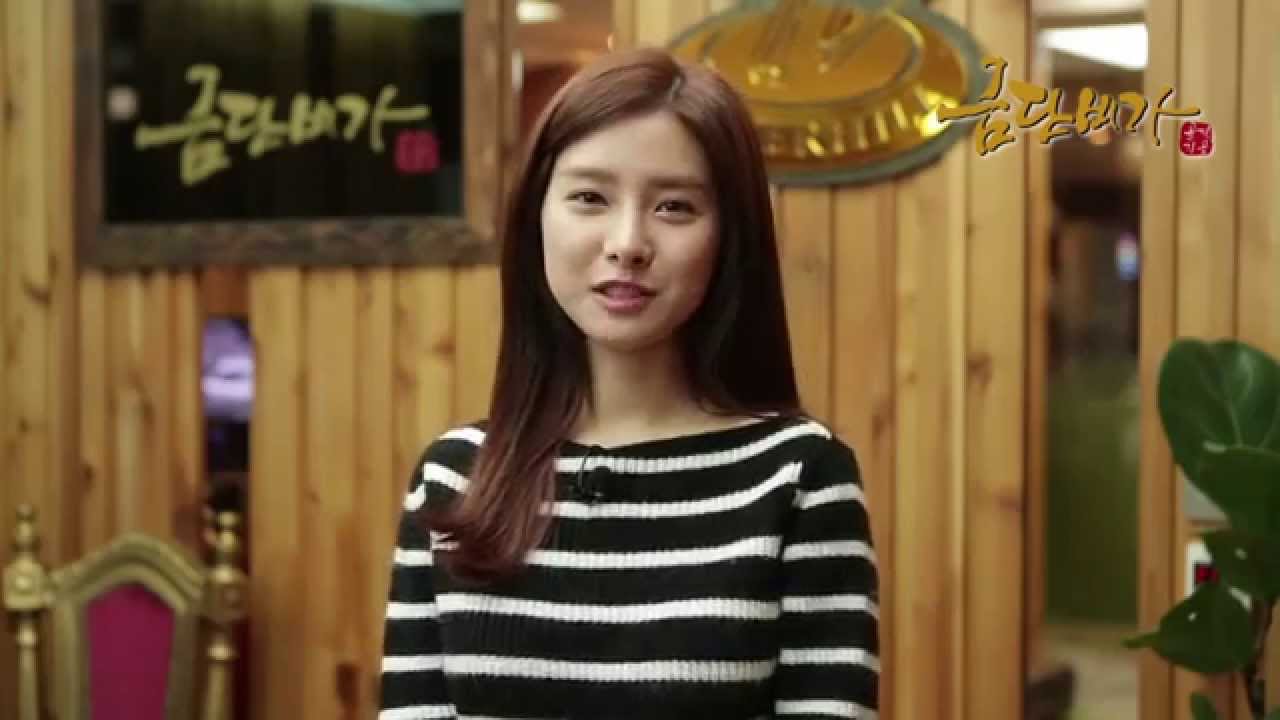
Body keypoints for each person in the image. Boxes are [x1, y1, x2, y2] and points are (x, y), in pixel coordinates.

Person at [379, 47, 879, 720]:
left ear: (729, 239)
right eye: (590, 198)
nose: (627, 243)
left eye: (674, 207)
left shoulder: (798, 476)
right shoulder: (454, 478)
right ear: (536, 217)